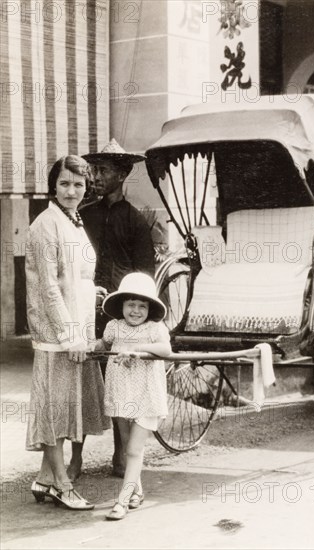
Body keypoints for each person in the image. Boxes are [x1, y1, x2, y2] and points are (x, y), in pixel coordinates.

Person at [67, 139, 156, 481]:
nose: (96, 177)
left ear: (122, 174)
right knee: (84, 383)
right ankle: (76, 459)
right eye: (94, 170)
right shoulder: (84, 216)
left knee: (121, 382)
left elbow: (145, 272)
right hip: (87, 309)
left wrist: (131, 309)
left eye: (103, 171)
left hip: (120, 313)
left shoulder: (135, 221)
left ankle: (122, 452)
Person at [25, 155, 110, 510]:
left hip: (78, 327)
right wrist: (71, 336)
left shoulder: (72, 221)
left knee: (68, 407)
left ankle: (45, 479)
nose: (71, 190)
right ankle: (61, 484)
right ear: (53, 186)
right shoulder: (46, 224)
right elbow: (48, 288)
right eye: (64, 183)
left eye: (78, 184)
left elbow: (73, 277)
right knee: (55, 410)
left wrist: (93, 291)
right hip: (58, 335)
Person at [93, 272, 171, 521]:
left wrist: (137, 348)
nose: (135, 311)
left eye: (142, 306)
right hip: (120, 392)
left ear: (150, 308)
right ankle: (137, 491)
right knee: (128, 448)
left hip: (146, 395)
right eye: (130, 305)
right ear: (122, 305)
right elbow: (103, 345)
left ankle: (123, 500)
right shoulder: (114, 327)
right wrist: (86, 347)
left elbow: (166, 350)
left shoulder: (155, 329)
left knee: (135, 450)